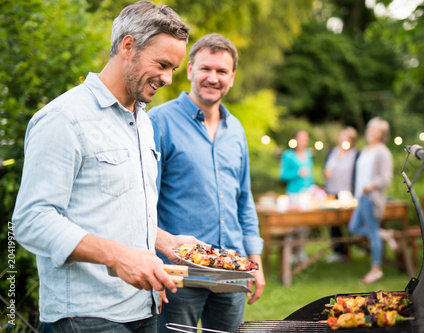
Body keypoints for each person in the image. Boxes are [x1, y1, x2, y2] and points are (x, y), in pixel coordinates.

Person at [12, 2, 200, 332]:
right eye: (162, 64)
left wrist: (164, 241)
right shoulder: (64, 118)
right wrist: (117, 256)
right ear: (128, 46)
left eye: (174, 68)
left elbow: (110, 210)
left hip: (143, 308)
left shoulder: (143, 123)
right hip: (86, 318)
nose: (169, 79)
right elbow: (31, 221)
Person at [148, 33, 265, 333]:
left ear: (232, 77)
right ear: (189, 70)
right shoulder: (159, 122)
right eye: (206, 69)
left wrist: (255, 258)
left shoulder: (236, 129)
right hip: (178, 272)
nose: (213, 78)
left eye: (221, 71)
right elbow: (144, 200)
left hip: (232, 271)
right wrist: (151, 261)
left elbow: (244, 199)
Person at [348, 117, 396, 284]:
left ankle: (376, 269)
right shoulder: (366, 149)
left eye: (376, 129)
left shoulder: (383, 152)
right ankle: (385, 234)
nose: (371, 131)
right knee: (353, 228)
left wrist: (371, 185)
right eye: (370, 127)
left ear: (382, 134)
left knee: (373, 232)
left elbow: (387, 177)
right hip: (361, 198)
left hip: (371, 198)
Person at [323, 126, 359, 263]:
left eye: (346, 137)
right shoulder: (332, 152)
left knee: (349, 221)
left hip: (348, 193)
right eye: (341, 136)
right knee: (333, 223)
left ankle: (352, 248)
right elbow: (326, 168)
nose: (342, 139)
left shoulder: (355, 154)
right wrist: (325, 173)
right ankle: (337, 252)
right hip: (332, 191)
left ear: (351, 139)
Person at [279, 129, 314, 264]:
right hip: (293, 194)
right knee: (293, 224)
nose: (303, 142)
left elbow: (310, 175)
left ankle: (301, 252)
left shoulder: (308, 154)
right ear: (295, 140)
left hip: (307, 194)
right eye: (301, 138)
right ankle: (291, 253)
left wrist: (314, 188)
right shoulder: (288, 155)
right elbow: (282, 175)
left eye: (305, 139)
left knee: (305, 226)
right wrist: (298, 172)